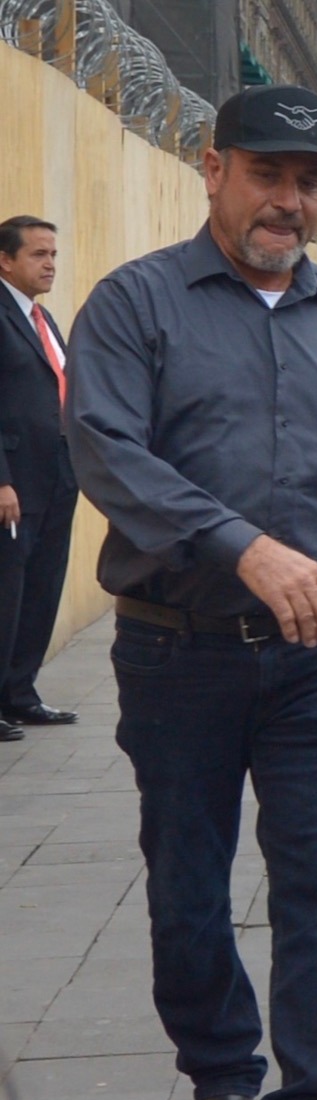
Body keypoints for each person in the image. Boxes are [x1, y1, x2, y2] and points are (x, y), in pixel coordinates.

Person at [65, 84, 317, 1100]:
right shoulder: (136, 304)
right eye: (269, 175)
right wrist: (243, 543)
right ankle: (221, 1081)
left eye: (310, 184)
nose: (290, 203)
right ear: (213, 166)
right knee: (187, 884)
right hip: (177, 652)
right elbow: (105, 447)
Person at [0, 215, 79, 734]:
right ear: (5, 260)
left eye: (53, 254)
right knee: (6, 593)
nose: (50, 264)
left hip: (56, 479)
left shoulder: (42, 318)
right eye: (38, 255)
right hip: (13, 483)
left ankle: (20, 693)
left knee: (42, 588)